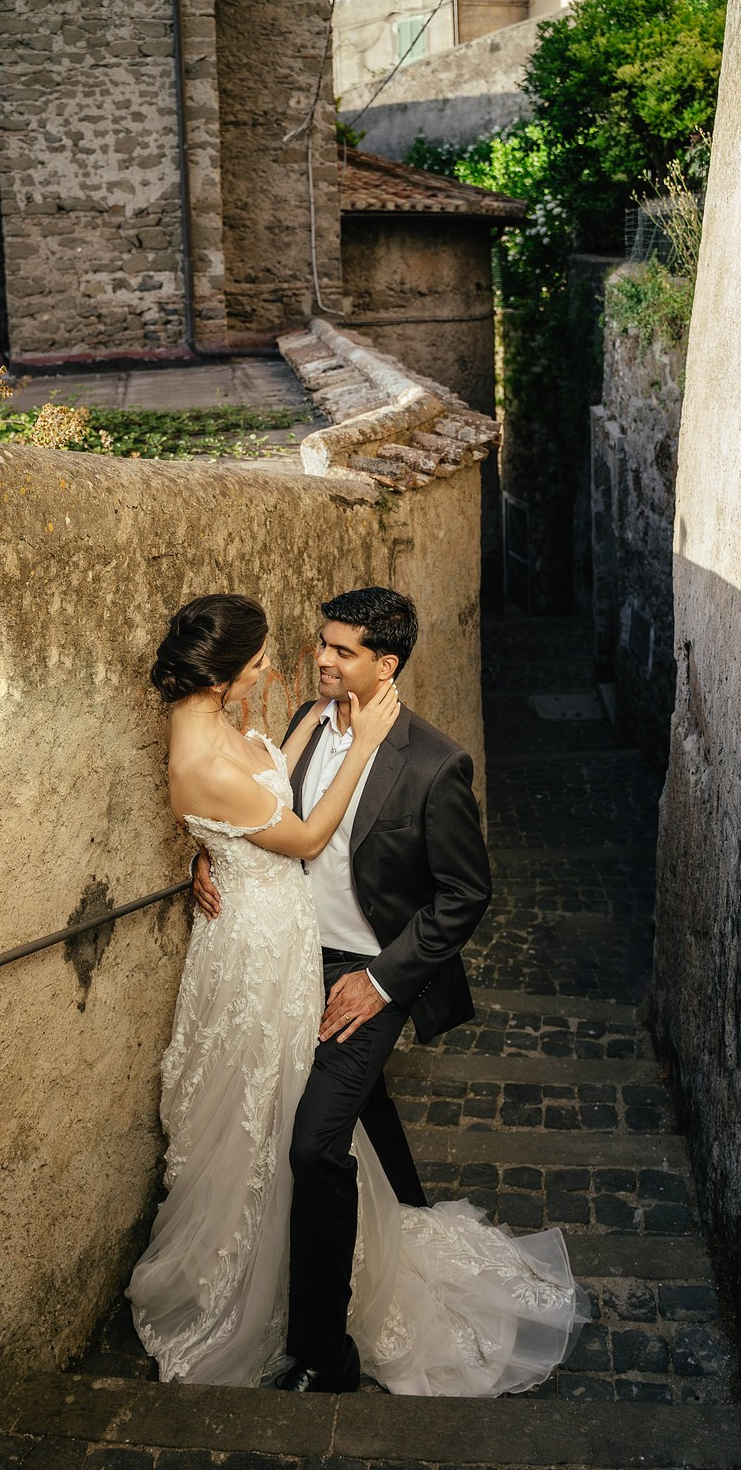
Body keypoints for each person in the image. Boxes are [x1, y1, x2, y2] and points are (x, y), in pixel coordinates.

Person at [127, 590, 588, 1396]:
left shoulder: (433, 762)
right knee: (327, 1119)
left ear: (388, 664)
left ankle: (321, 1355)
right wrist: (212, 854)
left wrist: (379, 983)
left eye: (341, 651)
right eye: (321, 645)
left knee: (310, 1145)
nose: (322, 661)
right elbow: (259, 817)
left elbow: (464, 895)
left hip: (364, 974)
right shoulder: (305, 723)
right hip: (280, 961)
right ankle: (393, 1217)